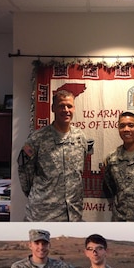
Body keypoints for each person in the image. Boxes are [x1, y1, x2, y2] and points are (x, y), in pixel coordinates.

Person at [18, 88, 88, 221]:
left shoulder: (80, 137)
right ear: (53, 108)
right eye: (61, 106)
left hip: (72, 214)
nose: (66, 110)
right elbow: (24, 173)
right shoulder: (37, 139)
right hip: (43, 214)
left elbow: (79, 173)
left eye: (69, 106)